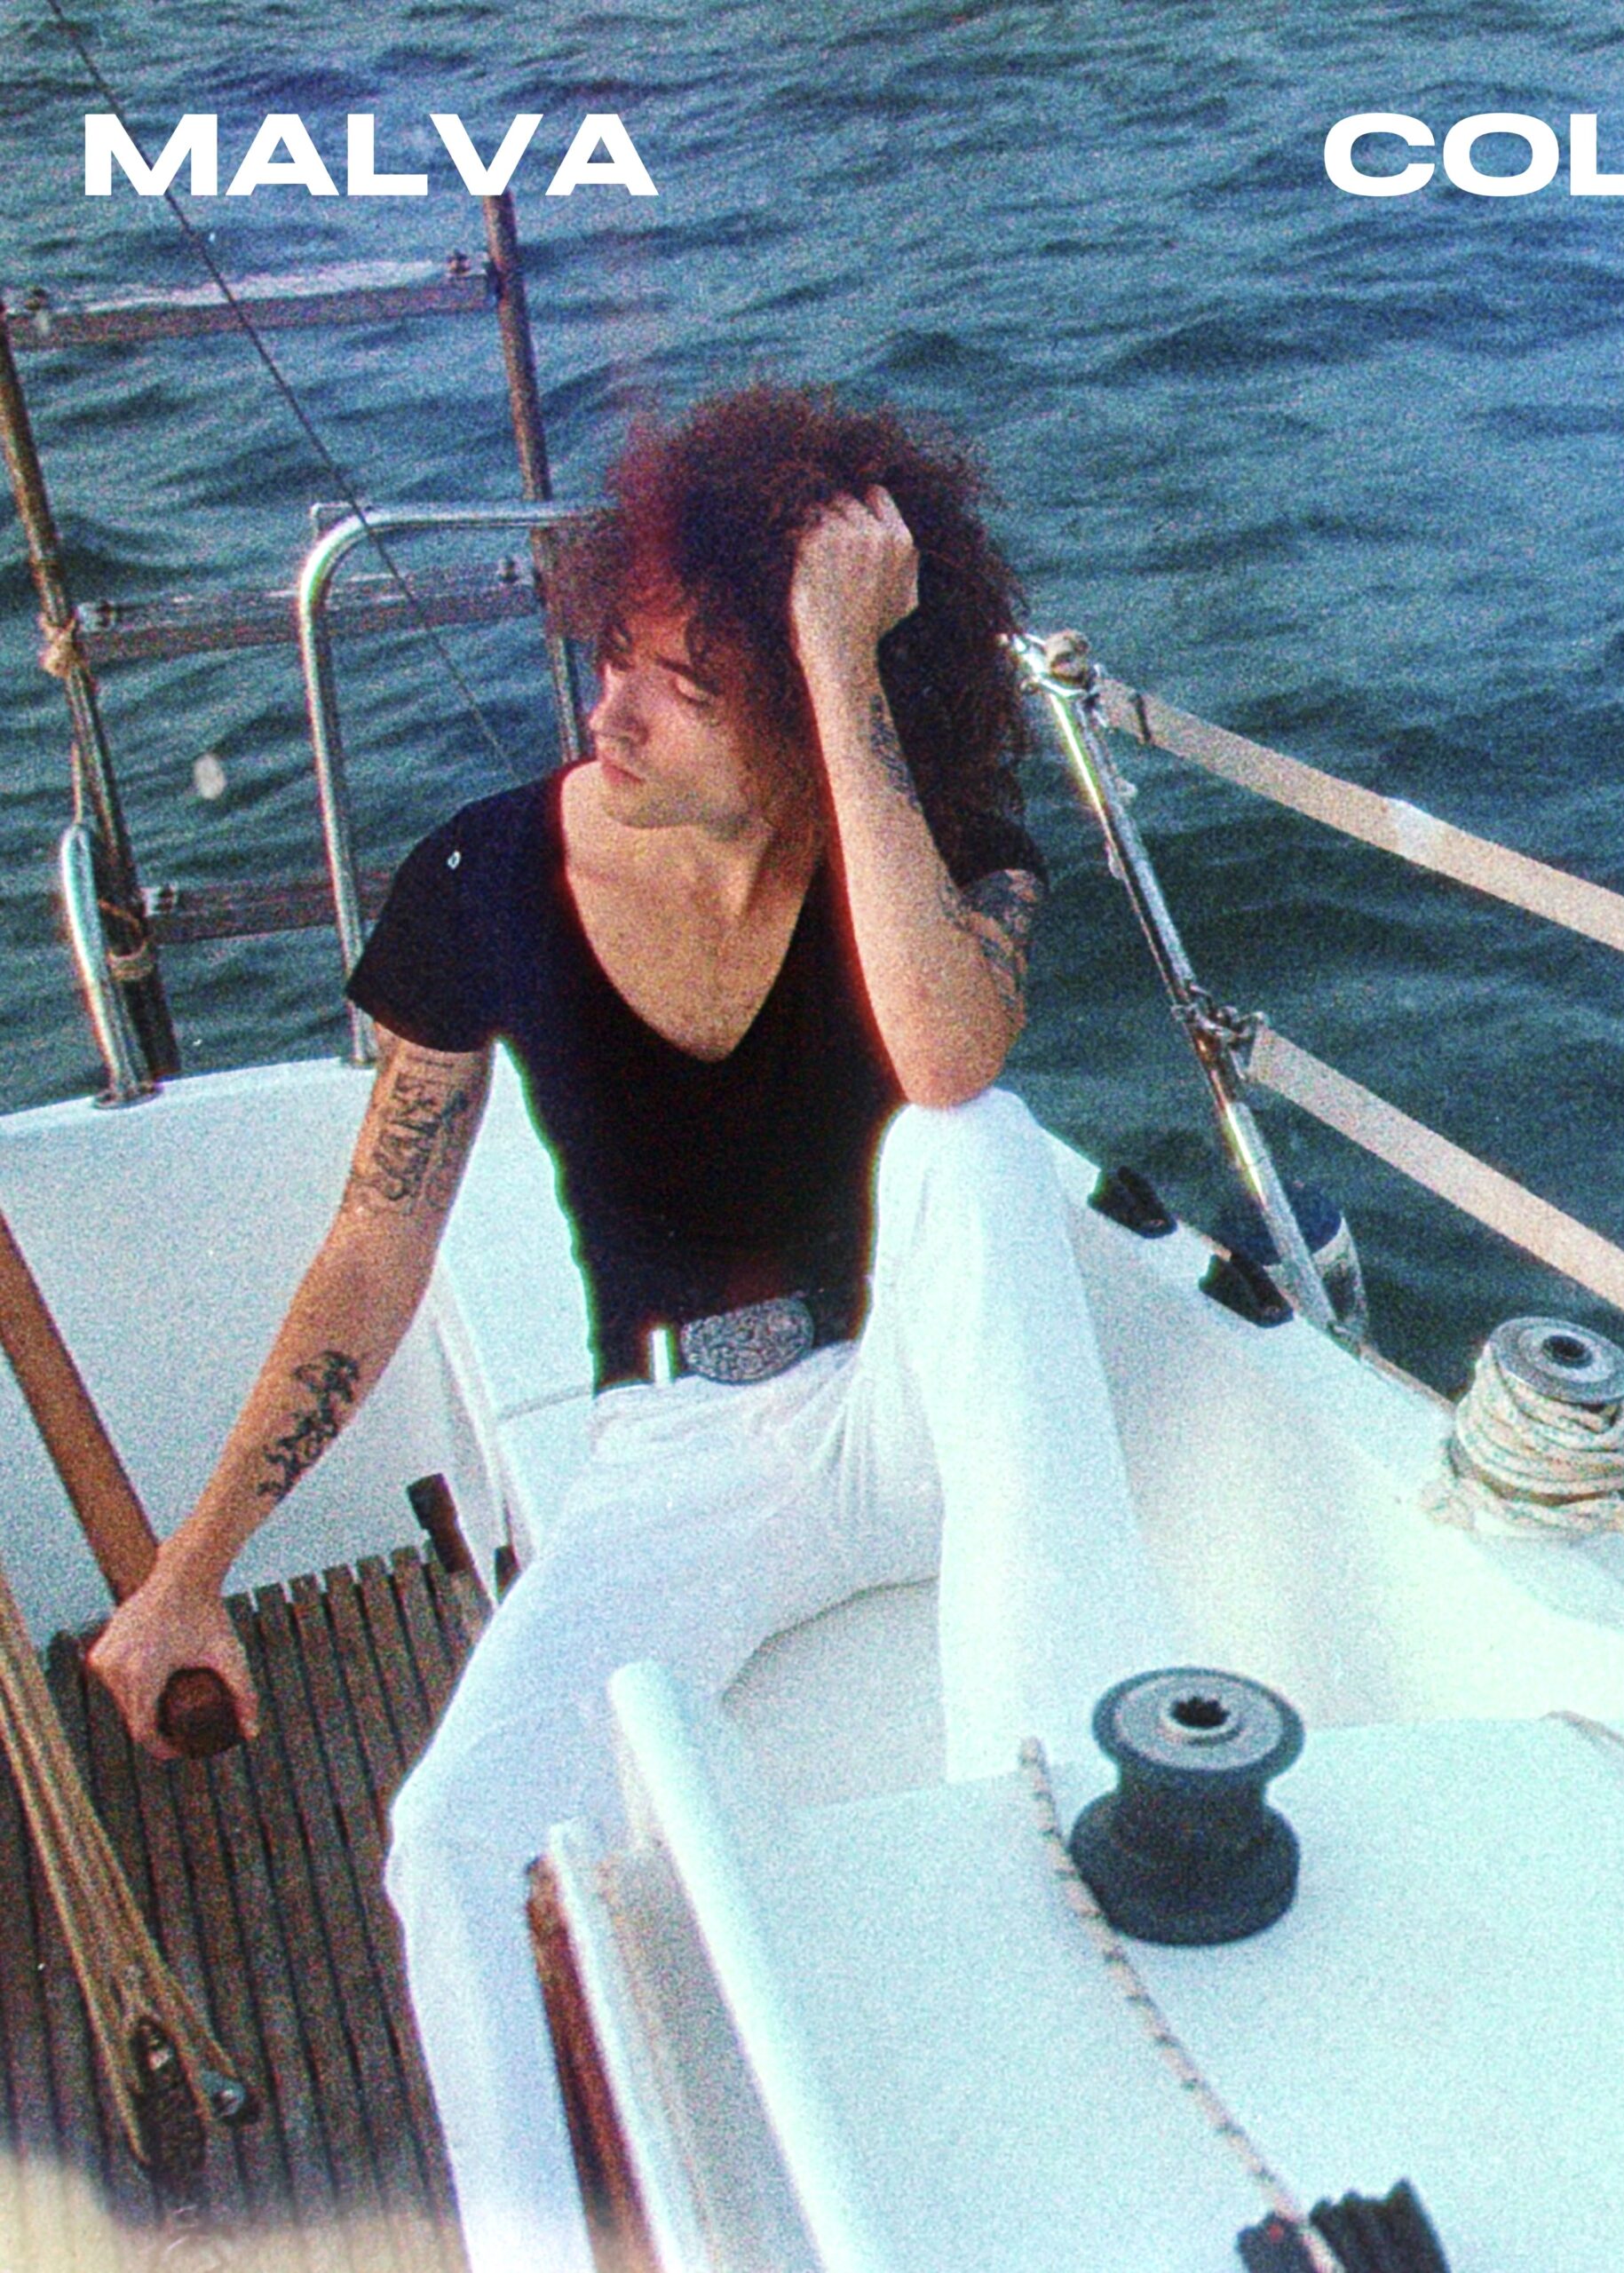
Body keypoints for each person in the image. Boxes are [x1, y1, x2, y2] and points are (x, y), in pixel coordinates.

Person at [87, 382, 1173, 2272]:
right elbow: (375, 1244)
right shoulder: (485, 878)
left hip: (927, 1395)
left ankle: (1050, 1860)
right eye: (611, 656)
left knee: (976, 1146)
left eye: (686, 679)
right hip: (688, 1447)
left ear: (805, 694)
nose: (611, 710)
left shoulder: (933, 850)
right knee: (450, 1842)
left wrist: (840, 666)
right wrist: (193, 1571)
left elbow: (941, 1056)